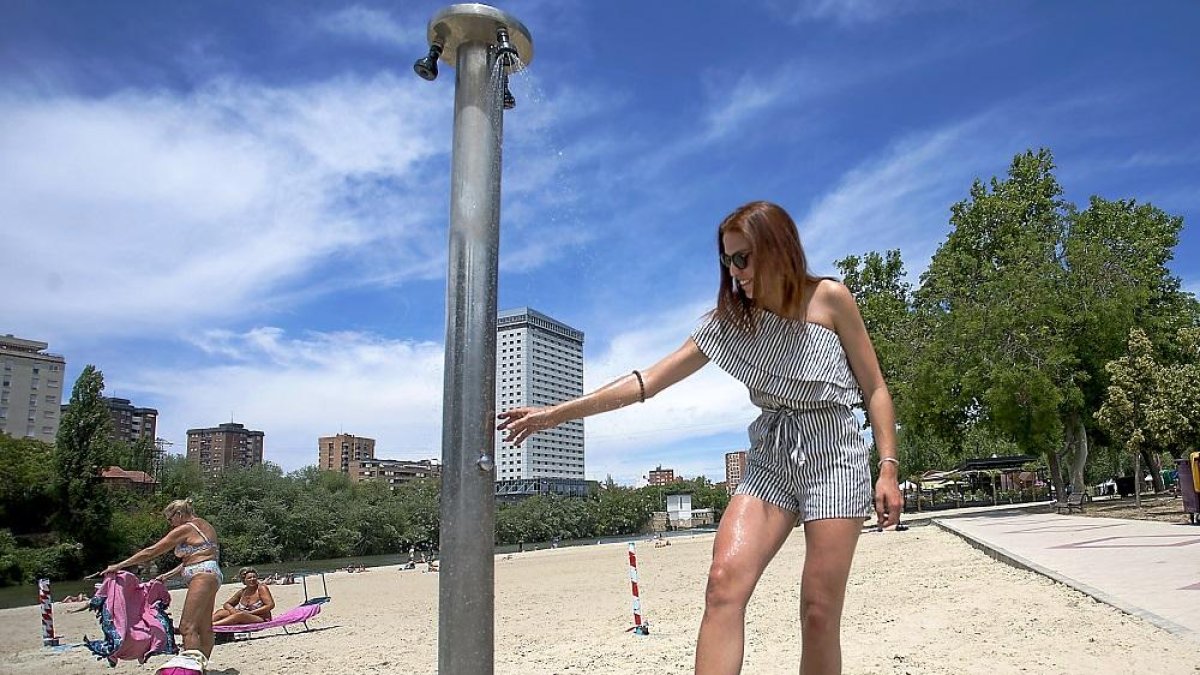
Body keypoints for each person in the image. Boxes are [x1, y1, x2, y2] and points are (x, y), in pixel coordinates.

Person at [498, 201, 902, 675]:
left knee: (817, 610)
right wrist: (556, 414)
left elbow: (875, 388)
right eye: (727, 261)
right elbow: (646, 381)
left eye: (743, 258)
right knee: (723, 583)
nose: (735, 272)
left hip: (833, 450)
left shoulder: (830, 298)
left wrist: (888, 467)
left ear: (777, 249)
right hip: (771, 450)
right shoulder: (729, 321)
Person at [91, 498, 223, 670]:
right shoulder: (205, 526)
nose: (170, 524)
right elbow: (197, 556)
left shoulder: (185, 528)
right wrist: (167, 576)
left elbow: (152, 551)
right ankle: (201, 668)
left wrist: (120, 565)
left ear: (179, 514)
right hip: (210, 573)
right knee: (204, 626)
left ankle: (191, 670)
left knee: (187, 627)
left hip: (201, 575)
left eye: (170, 519)